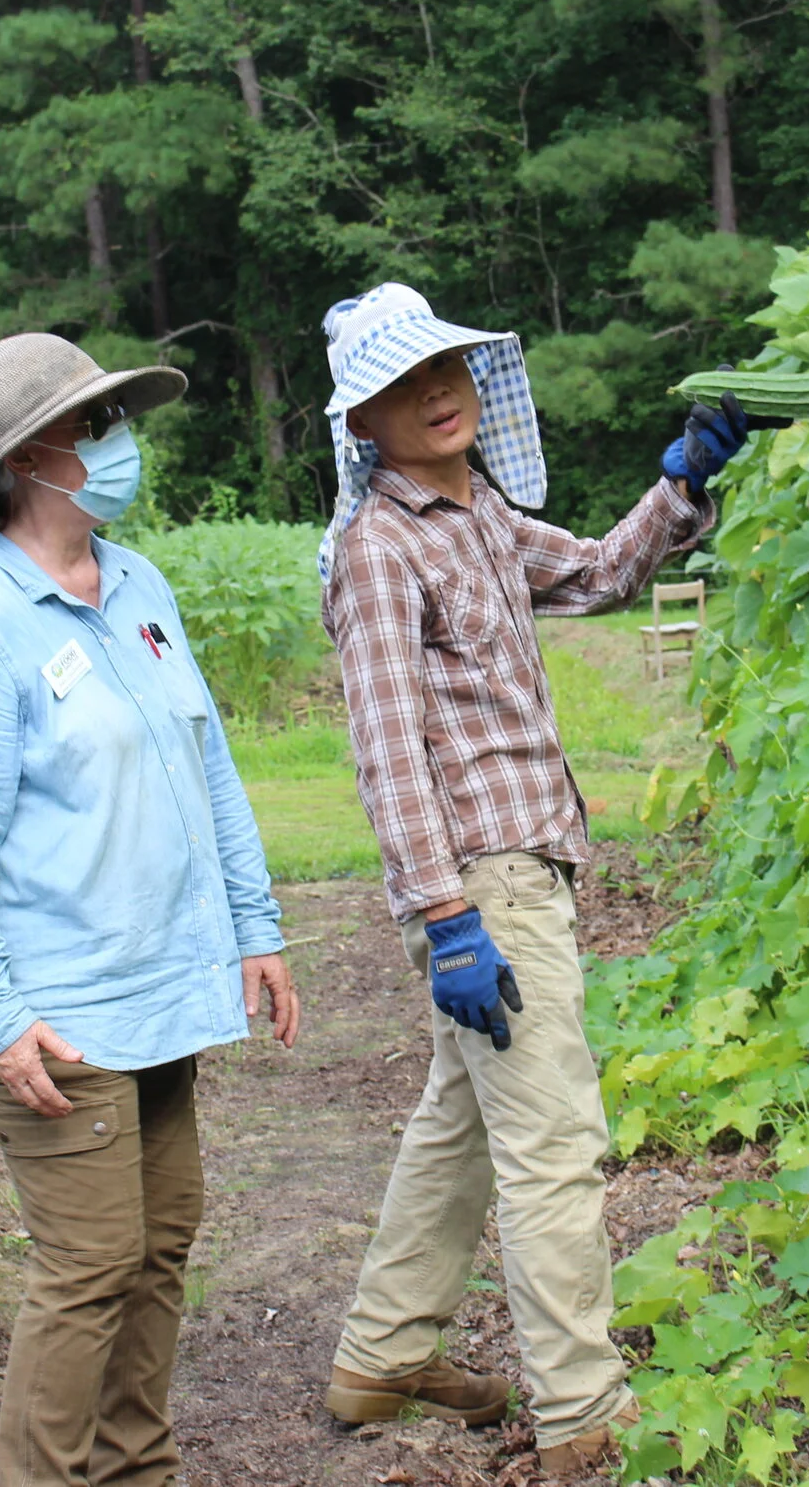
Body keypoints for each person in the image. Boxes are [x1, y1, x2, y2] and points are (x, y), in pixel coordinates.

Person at [313, 284, 753, 1476]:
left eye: (449, 367)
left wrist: (681, 487)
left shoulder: (482, 517)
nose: (437, 391)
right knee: (554, 1140)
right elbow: (386, 747)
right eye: (404, 383)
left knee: (459, 1122)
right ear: (363, 424)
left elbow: (605, 575)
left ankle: (383, 1353)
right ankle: (584, 1415)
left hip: (520, 868)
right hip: (485, 886)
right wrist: (446, 915)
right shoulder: (378, 546)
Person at [0, 332, 303, 1487]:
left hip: (159, 984)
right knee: (88, 1265)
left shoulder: (137, 585)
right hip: (56, 1011)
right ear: (32, 456)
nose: (121, 445)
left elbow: (208, 764)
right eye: (96, 426)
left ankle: (139, 1470)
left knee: (159, 1238)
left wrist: (255, 925)